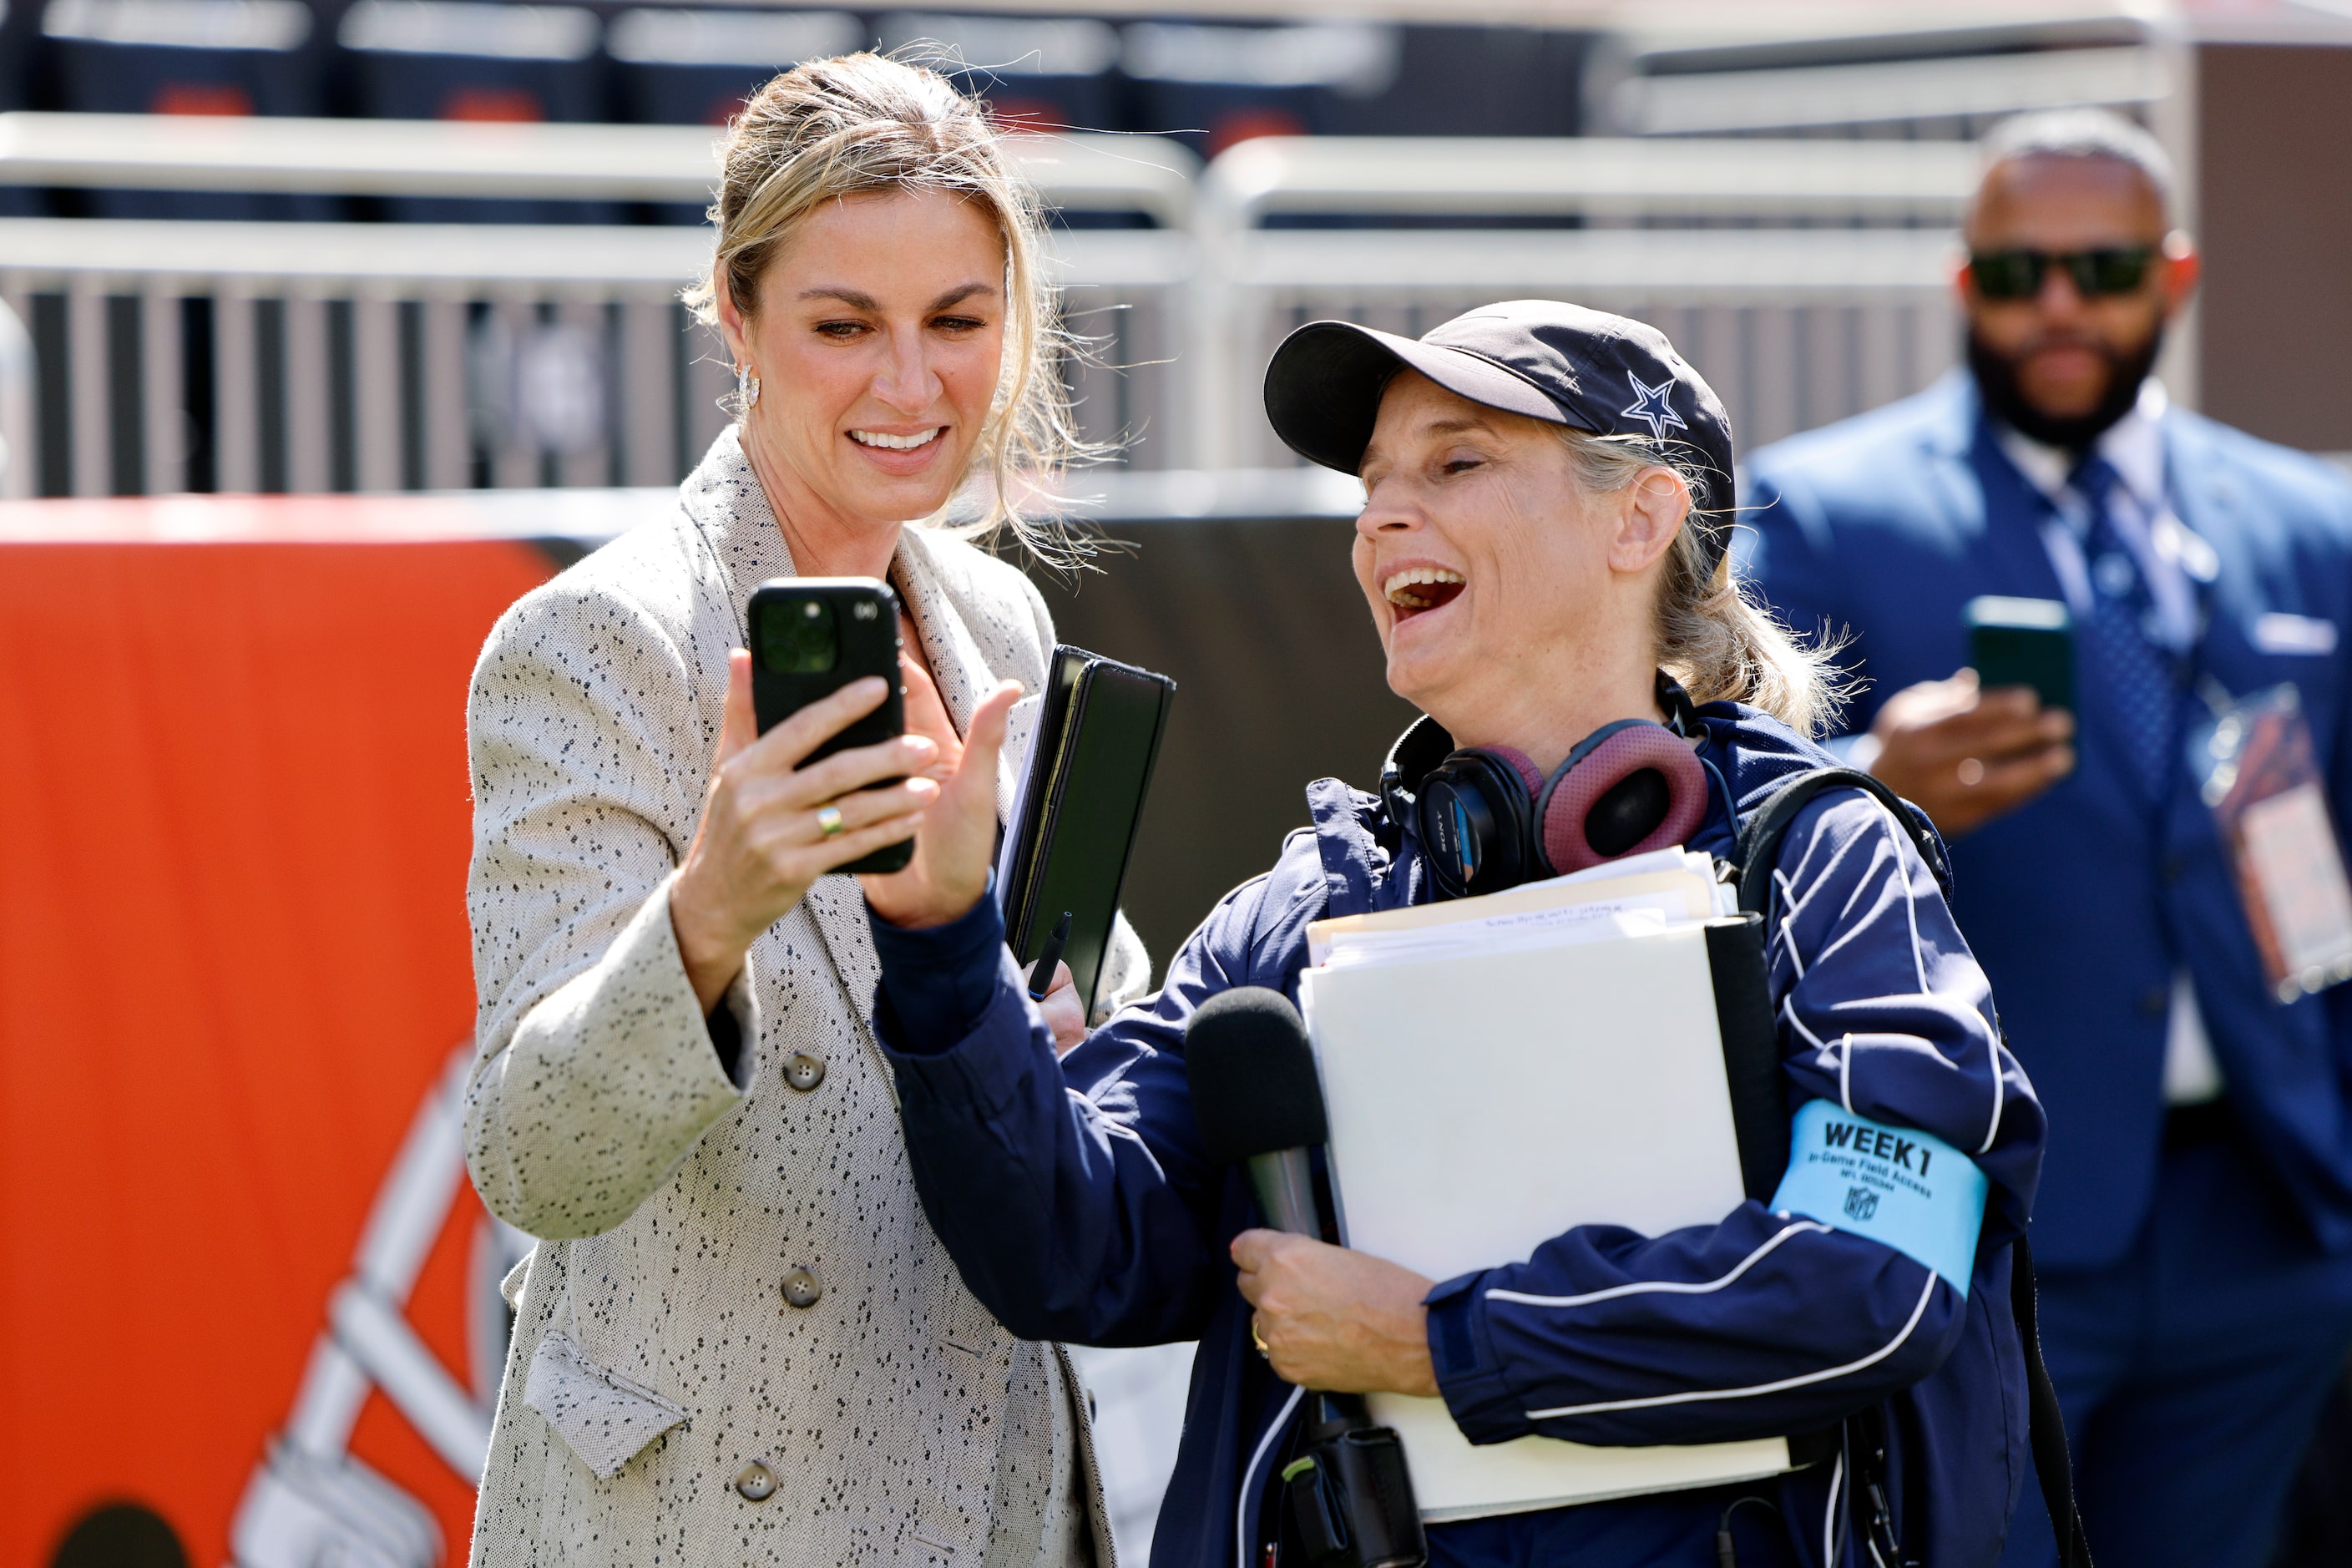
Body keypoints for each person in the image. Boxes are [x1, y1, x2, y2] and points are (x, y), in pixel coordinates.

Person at [859, 299, 2048, 1567]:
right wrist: (940, 941)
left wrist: (1435, 1340)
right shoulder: (1297, 909)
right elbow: (1066, 1250)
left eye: (1454, 464)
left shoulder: (1823, 863)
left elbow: (1875, 1285)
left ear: (1638, 520)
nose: (1378, 520)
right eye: (1371, 485)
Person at [461, 54, 1144, 1568]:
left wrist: (1072, 1007)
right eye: (845, 326)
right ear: (737, 310)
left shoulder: (1001, 623)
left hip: (993, 1492)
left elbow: (1051, 1026)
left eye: (958, 322)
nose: (911, 387)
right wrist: (710, 914)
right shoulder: (601, 640)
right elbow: (534, 1156)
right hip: (715, 1515)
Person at [1739, 109, 2352, 1568]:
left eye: (2100, 266)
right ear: (1965, 287)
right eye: (2018, 275)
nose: (2060, 305)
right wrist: (1865, 777)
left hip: (2263, 1217)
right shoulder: (1822, 510)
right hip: (1985, 1214)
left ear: (2174, 277)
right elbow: (1718, 797)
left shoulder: (2304, 521)